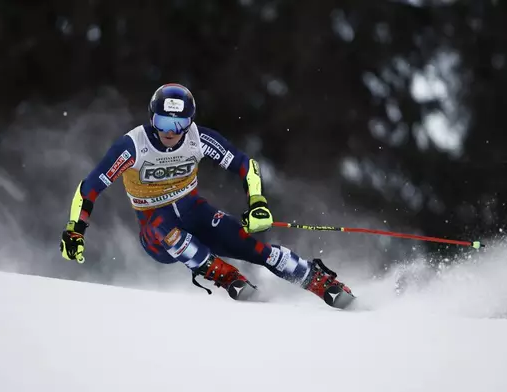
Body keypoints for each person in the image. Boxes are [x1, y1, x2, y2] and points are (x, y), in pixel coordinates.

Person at [60, 83, 355, 308]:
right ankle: (224, 274)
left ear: (190, 121)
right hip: (155, 224)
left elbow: (246, 165)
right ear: (152, 119)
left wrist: (257, 203)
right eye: (163, 123)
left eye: (179, 124)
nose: (171, 133)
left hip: (194, 211)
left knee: (253, 247)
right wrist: (76, 229)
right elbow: (90, 188)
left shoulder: (198, 138)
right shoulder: (134, 145)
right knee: (166, 232)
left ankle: (315, 278)